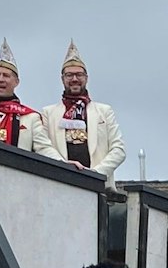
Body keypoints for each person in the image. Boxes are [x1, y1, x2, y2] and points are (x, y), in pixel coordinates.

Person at [41, 42, 126, 185]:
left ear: (86, 78)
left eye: (79, 74)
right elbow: (42, 147)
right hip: (60, 183)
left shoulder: (104, 111)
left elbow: (119, 149)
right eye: (69, 75)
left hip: (98, 186)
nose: (74, 79)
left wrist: (96, 174)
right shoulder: (48, 114)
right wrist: (63, 166)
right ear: (62, 79)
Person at [0, 39, 58, 155]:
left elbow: (44, 148)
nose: (0, 79)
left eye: (6, 76)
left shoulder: (30, 117)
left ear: (16, 82)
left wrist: (64, 163)